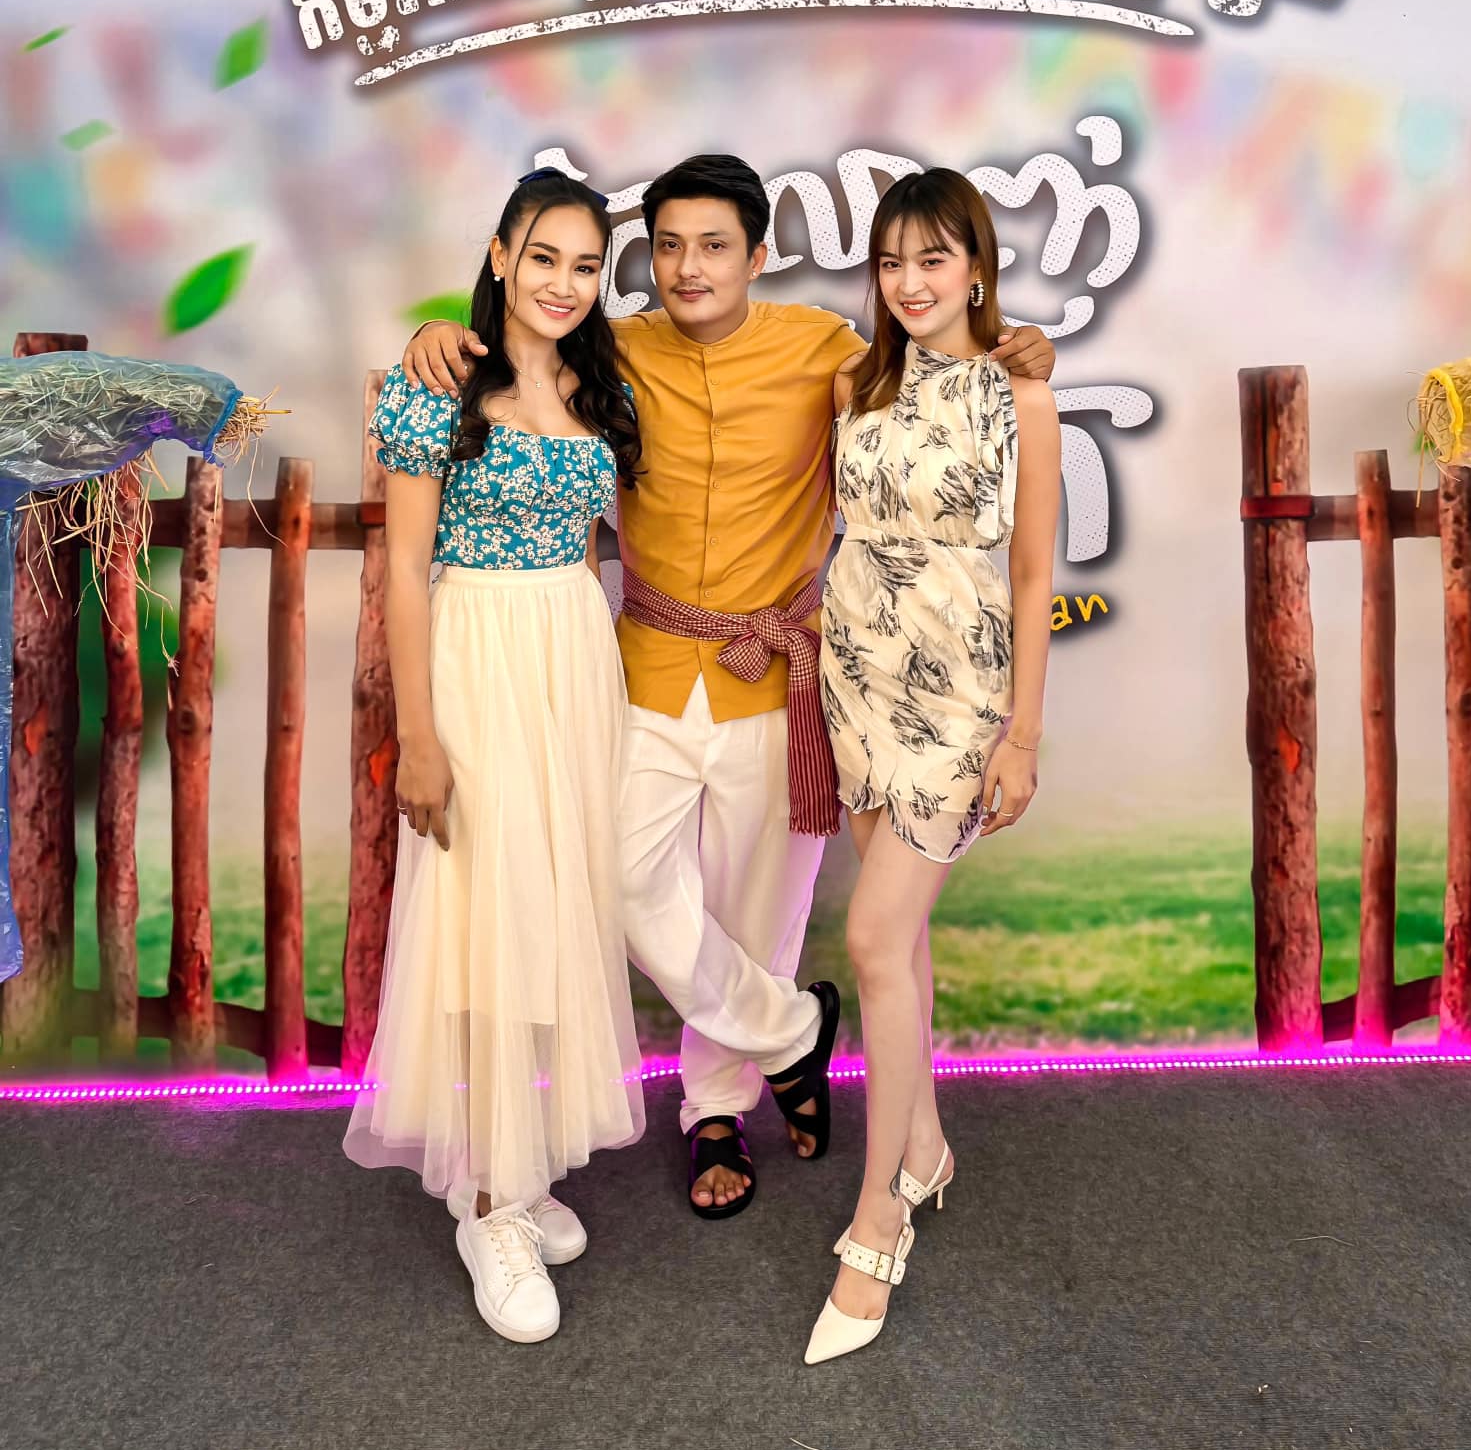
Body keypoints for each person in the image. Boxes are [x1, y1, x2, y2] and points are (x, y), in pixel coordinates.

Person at [403, 154, 1056, 1218]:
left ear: (758, 256)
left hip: (781, 676)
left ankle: (717, 1110)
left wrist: (1022, 349)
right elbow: (511, 350)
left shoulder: (829, 353)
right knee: (616, 880)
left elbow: (934, 371)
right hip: (647, 666)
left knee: (758, 911)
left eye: (714, 246)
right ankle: (793, 1032)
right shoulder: (611, 353)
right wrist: (435, 334)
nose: (688, 267)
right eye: (667, 246)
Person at [343, 169, 646, 1346]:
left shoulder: (598, 388)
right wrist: (420, 736)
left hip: (571, 661)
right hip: (478, 659)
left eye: (586, 264)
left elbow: (598, 549)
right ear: (501, 252)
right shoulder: (439, 387)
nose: (565, 283)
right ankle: (483, 1204)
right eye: (544, 256)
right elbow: (406, 576)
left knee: (550, 912)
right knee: (483, 917)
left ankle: (515, 1167)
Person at [804, 167, 1060, 1366]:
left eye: (934, 258)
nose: (911, 282)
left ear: (976, 266)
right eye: (893, 261)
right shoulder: (853, 381)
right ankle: (926, 1145)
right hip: (854, 671)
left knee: (869, 937)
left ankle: (877, 1223)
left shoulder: (1023, 395)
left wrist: (1023, 733)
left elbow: (1034, 574)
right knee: (897, 941)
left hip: (958, 692)